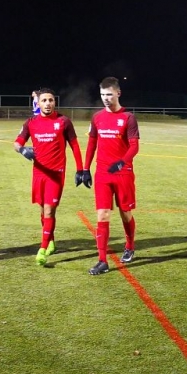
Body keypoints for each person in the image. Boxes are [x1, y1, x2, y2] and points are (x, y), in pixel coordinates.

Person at [13, 88, 84, 266]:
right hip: (39, 173)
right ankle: (50, 240)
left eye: (50, 100)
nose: (47, 104)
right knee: (42, 210)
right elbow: (17, 143)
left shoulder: (64, 121)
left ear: (55, 102)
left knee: (49, 210)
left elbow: (75, 146)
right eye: (44, 100)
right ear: (38, 103)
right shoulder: (31, 123)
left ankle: (42, 249)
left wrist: (80, 169)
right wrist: (22, 150)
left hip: (56, 174)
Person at [80, 77, 139, 276]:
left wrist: (121, 162)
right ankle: (102, 260)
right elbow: (91, 144)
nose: (105, 98)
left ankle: (129, 245)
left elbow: (134, 146)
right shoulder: (97, 117)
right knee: (102, 214)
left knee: (125, 212)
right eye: (102, 94)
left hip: (123, 173)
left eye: (109, 94)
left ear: (118, 93)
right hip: (103, 174)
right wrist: (85, 169)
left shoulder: (128, 118)